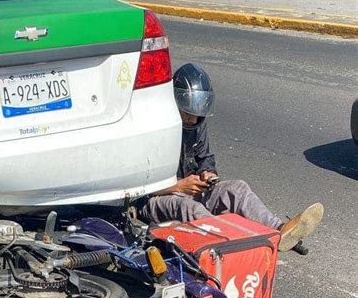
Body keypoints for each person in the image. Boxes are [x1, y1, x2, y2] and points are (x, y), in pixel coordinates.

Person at [138, 63, 324, 252]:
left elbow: (205, 158)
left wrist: (207, 173)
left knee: (237, 188)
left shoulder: (197, 123)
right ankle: (226, 243)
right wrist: (178, 186)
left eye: (197, 114)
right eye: (188, 114)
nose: (193, 120)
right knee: (188, 207)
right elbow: (135, 186)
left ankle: (279, 230)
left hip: (189, 189)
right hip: (156, 197)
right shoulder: (151, 127)